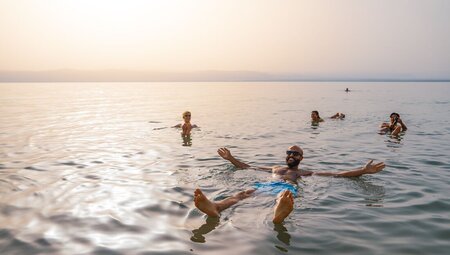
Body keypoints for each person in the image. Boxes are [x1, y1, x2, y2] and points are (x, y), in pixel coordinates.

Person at [194, 146, 385, 224]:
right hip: (266, 185)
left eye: (295, 154)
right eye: (289, 153)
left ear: (301, 158)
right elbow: (246, 166)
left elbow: (338, 174)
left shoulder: (303, 173)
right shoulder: (275, 168)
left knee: (283, 196)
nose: (291, 155)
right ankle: (216, 207)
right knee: (243, 193)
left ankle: (279, 214)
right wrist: (231, 158)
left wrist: (363, 170)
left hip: (287, 188)